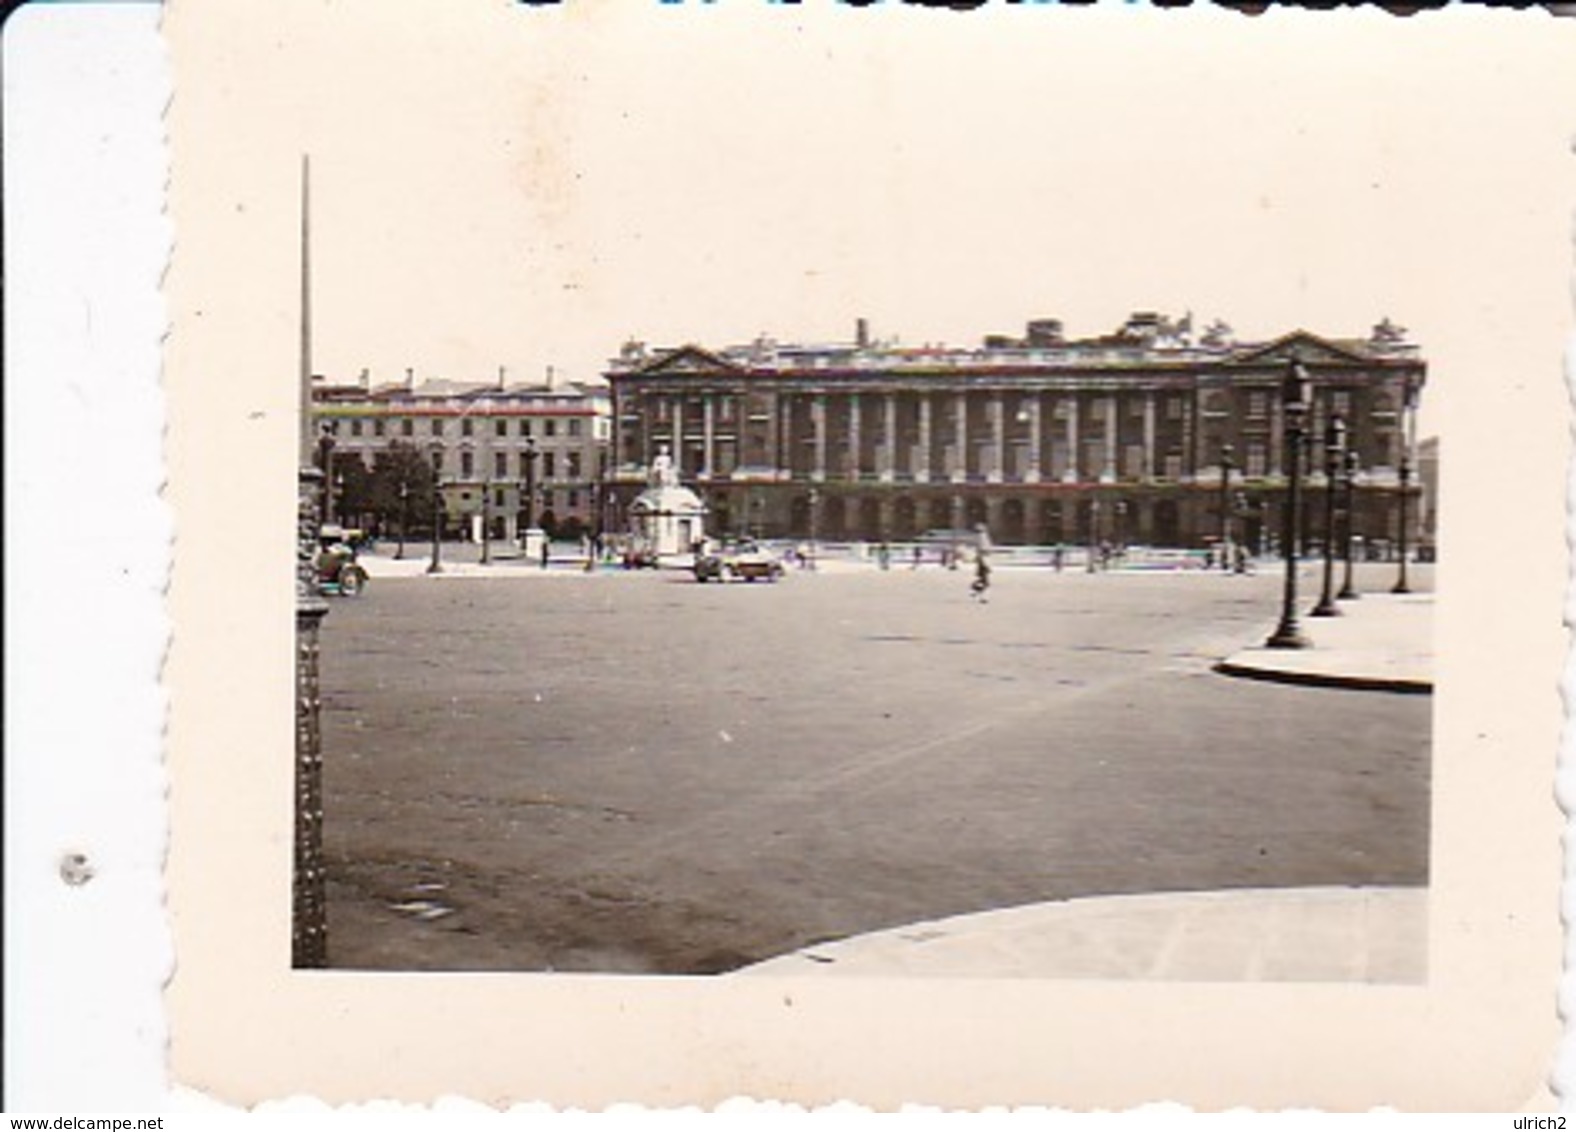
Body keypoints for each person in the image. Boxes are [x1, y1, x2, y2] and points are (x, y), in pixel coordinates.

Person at [969, 523, 992, 602]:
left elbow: (982, 549)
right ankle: (979, 594)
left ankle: (975, 591)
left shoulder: (980, 537)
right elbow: (984, 549)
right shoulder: (982, 537)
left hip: (983, 560)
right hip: (984, 560)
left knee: (983, 580)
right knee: (985, 581)